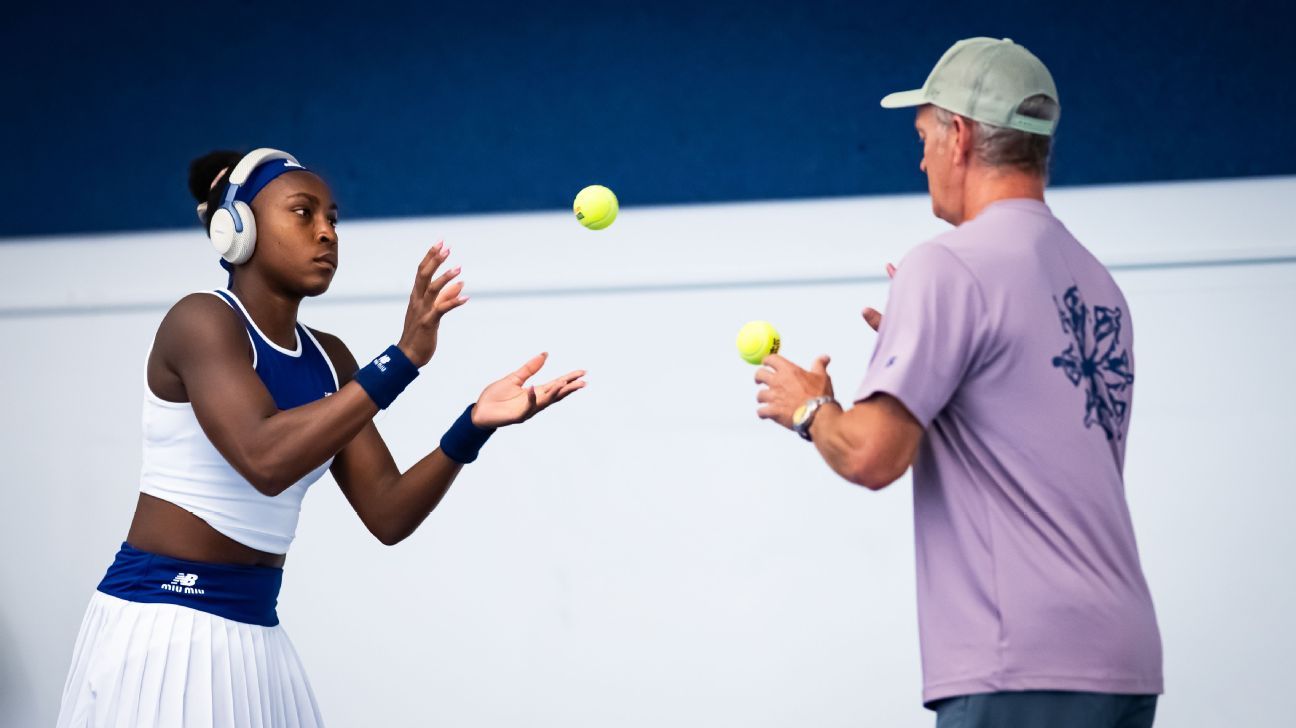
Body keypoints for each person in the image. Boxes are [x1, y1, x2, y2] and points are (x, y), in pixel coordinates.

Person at [56, 147, 587, 727]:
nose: (327, 233)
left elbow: (387, 512)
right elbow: (265, 459)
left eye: (333, 218)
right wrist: (404, 359)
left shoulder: (330, 359)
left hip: (256, 632)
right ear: (238, 231)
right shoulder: (200, 321)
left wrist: (471, 427)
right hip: (163, 622)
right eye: (303, 213)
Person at [753, 38, 1163, 727]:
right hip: (1124, 667)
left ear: (960, 136)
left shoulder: (947, 267)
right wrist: (919, 356)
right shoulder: (1099, 286)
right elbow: (1018, 422)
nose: (919, 160)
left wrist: (811, 408)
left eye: (923, 136)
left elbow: (871, 455)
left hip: (1019, 667)